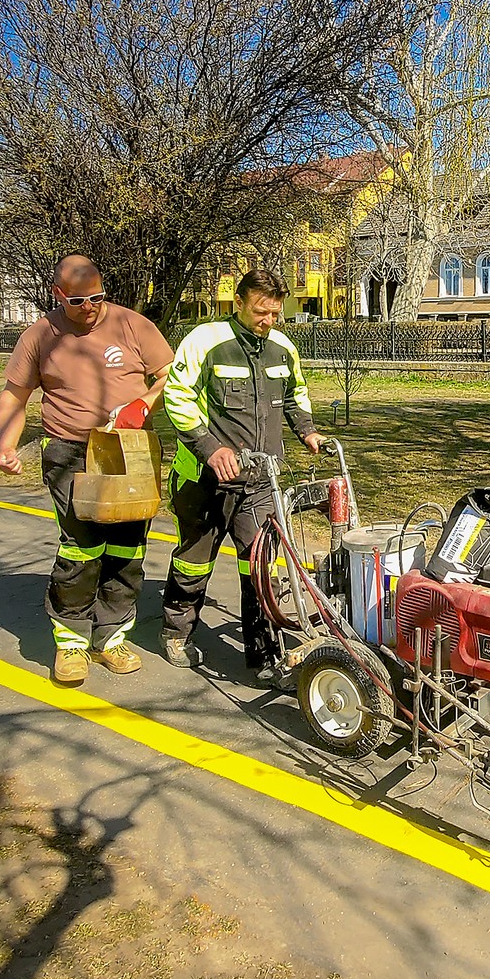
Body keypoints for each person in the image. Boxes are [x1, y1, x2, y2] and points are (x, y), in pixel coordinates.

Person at [0, 254, 173, 685]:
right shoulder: (41, 335)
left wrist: (143, 403)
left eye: (97, 297)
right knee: (81, 545)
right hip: (71, 450)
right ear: (58, 295)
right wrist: (7, 444)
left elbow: (168, 372)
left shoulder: (132, 325)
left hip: (130, 448)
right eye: (78, 301)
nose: (89, 307)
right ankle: (71, 642)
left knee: (128, 546)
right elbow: (14, 396)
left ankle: (112, 637)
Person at [161, 269, 322, 680]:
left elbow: (295, 394)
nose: (268, 320)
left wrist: (307, 430)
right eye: (259, 312)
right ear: (239, 303)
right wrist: (210, 449)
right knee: (195, 562)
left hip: (259, 482)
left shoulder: (282, 348)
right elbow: (177, 397)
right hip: (203, 479)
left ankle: (265, 655)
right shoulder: (205, 341)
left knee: (261, 565)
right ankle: (177, 633)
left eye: (274, 312)